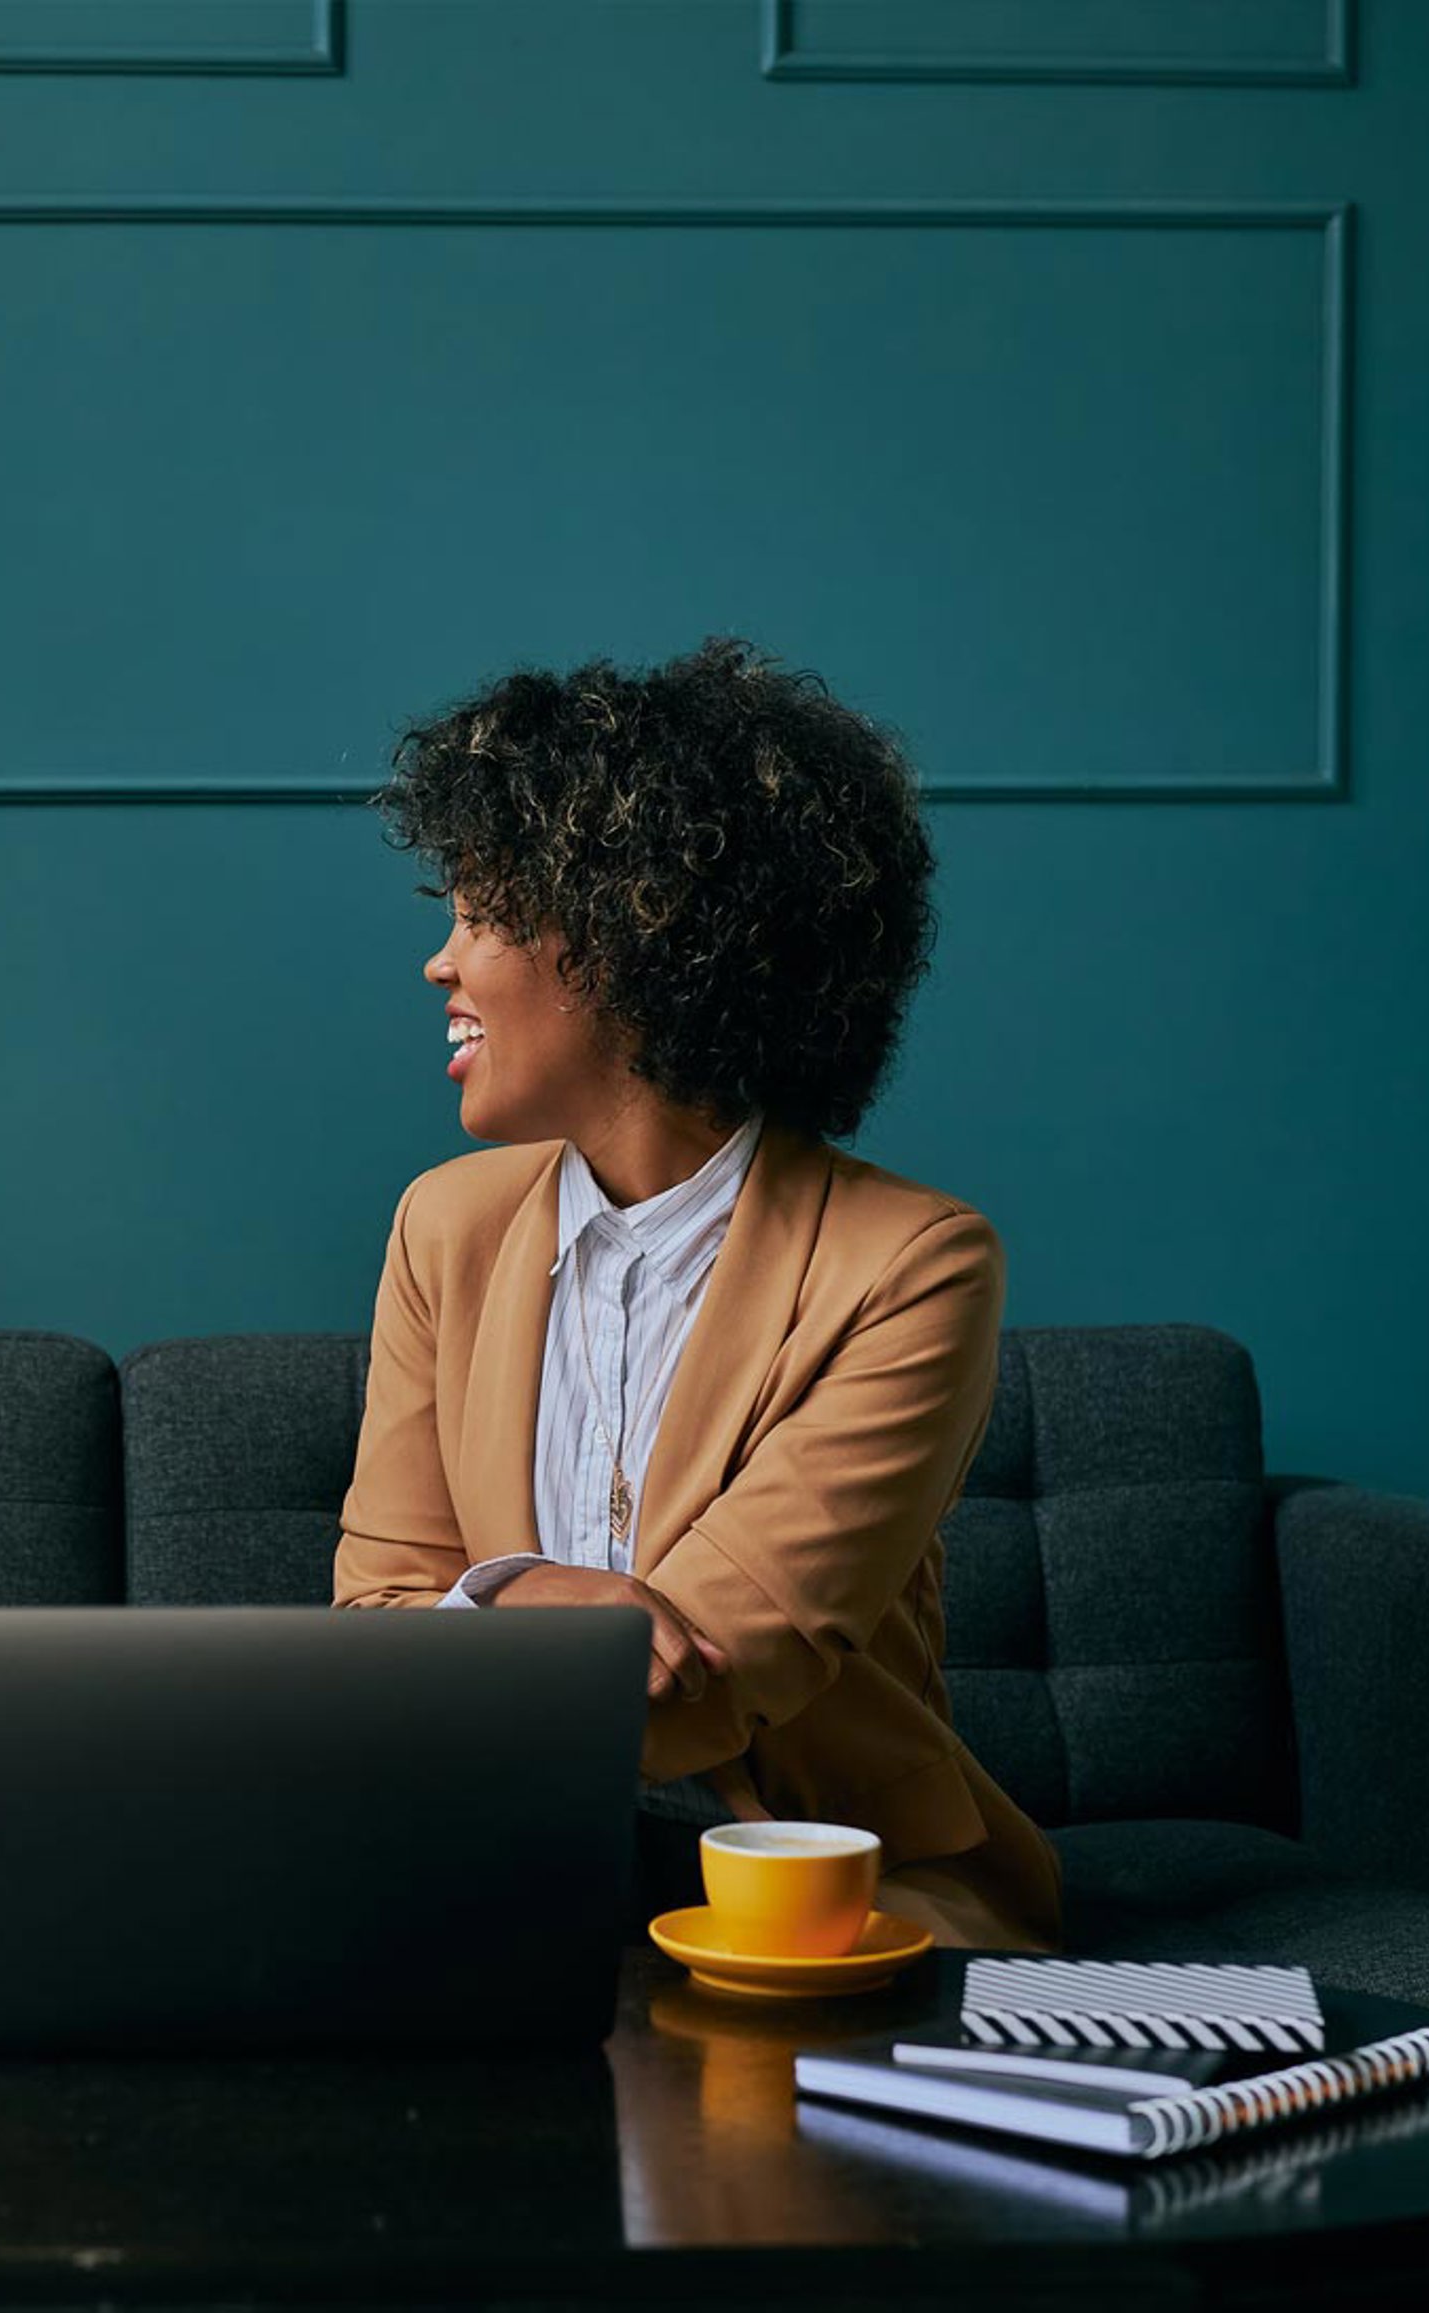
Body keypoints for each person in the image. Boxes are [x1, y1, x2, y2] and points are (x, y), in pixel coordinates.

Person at [332, 639, 1059, 1952]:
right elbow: (370, 1619)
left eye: (483, 914)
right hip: (494, 1852)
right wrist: (511, 1593)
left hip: (822, 1889)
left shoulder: (911, 1262)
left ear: (634, 935)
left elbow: (707, 1685)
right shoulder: (442, 1226)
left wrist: (456, 1641)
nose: (439, 964)